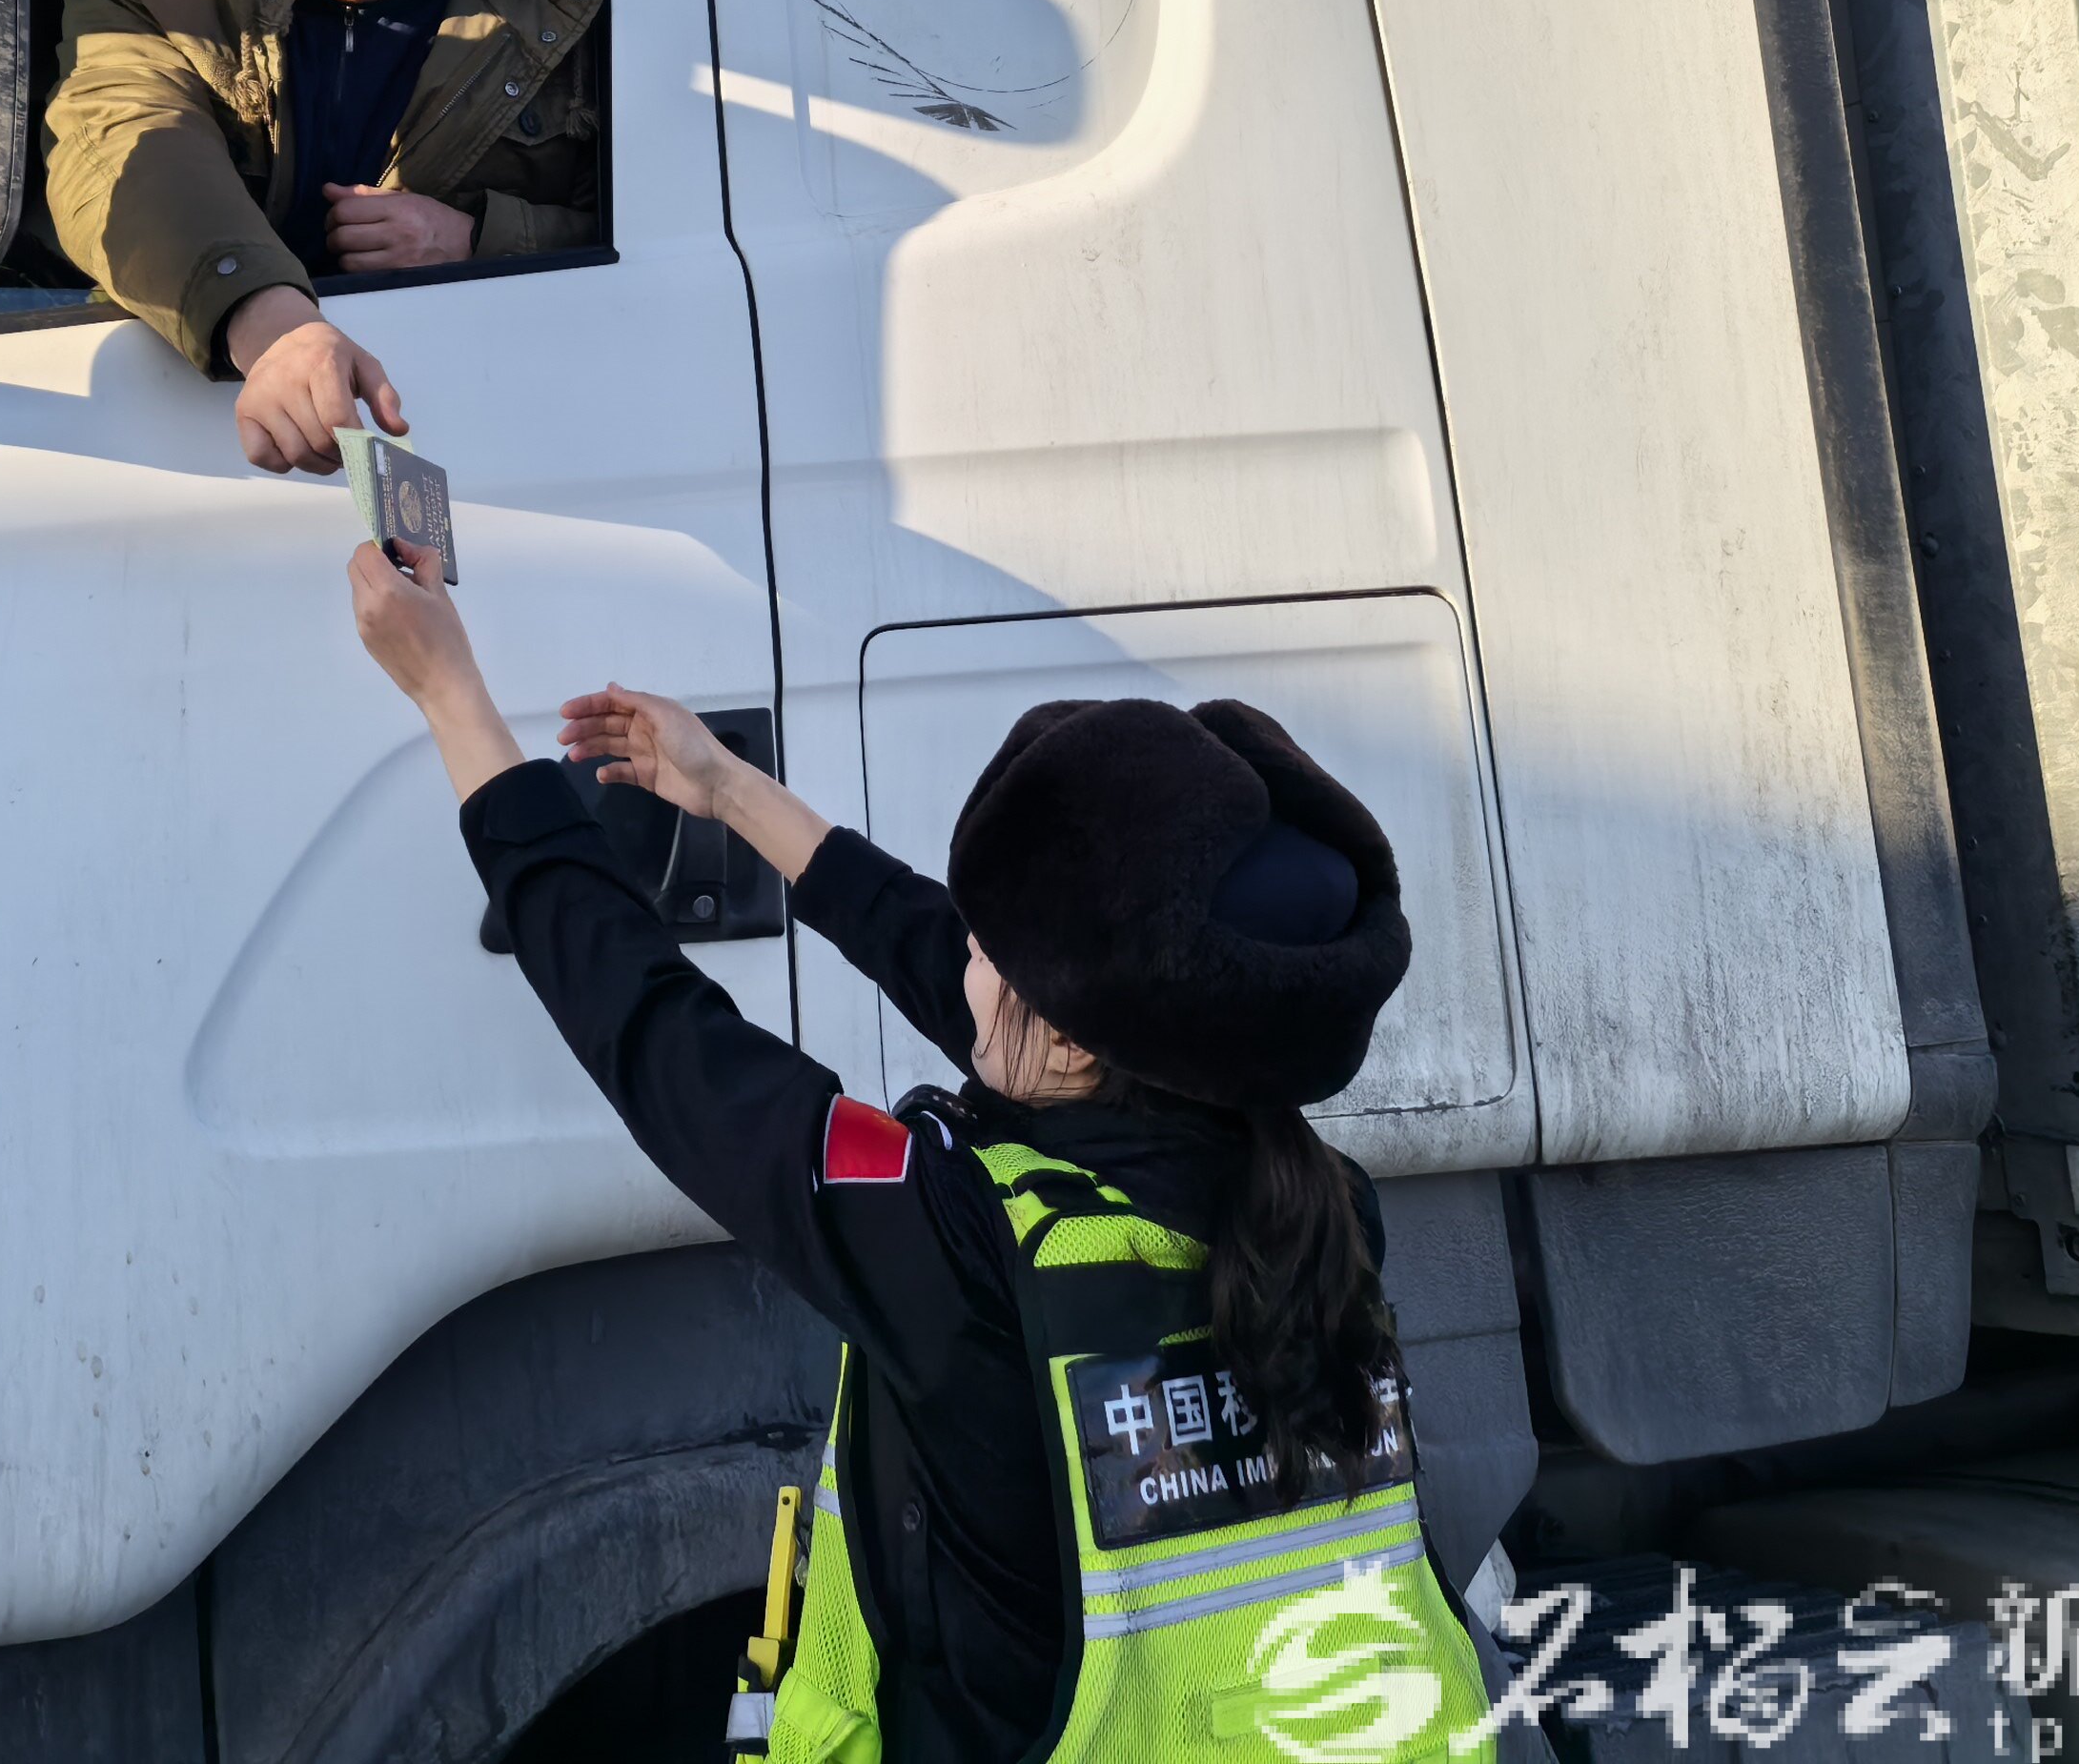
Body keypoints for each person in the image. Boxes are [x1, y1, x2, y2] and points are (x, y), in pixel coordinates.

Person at [344, 539, 1498, 1764]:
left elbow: (662, 1042)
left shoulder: (971, 1253)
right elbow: (970, 975)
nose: (964, 957)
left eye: (989, 948)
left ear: (1074, 1039)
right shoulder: (1320, 1206)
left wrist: (453, 701)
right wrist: (729, 790)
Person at [41, 0, 602, 475]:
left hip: (515, 448)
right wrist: (274, 328)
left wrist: (479, 238)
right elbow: (125, 149)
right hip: (188, 445)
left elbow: (686, 238)